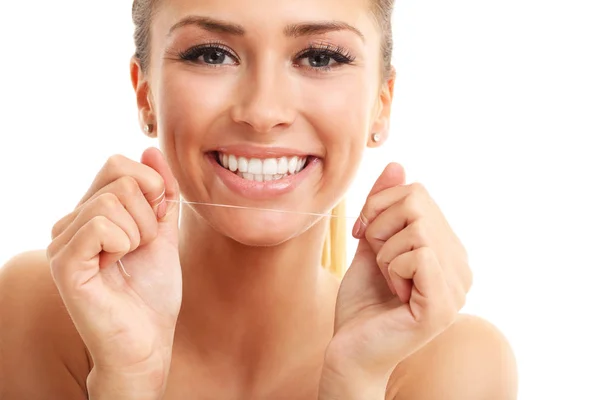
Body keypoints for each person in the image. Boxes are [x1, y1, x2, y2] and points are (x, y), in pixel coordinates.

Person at [0, 0, 518, 399]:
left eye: (320, 56)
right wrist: (125, 379)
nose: (263, 110)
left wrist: (356, 380)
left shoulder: (455, 363)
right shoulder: (37, 313)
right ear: (146, 94)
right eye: (211, 54)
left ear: (381, 104)